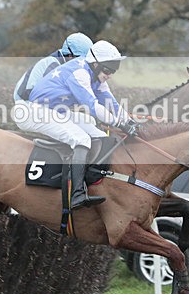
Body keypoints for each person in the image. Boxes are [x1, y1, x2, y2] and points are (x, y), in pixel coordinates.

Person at [23, 40, 138, 210]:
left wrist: (130, 122)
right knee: (82, 139)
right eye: (108, 69)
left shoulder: (95, 74)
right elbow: (93, 107)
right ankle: (76, 194)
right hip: (35, 112)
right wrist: (120, 124)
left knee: (98, 135)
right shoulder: (80, 73)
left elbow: (112, 104)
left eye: (113, 70)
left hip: (57, 111)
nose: (110, 74)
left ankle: (93, 182)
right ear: (96, 63)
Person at [12, 32, 93, 102]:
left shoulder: (64, 64)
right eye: (80, 59)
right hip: (26, 103)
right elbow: (33, 94)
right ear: (70, 55)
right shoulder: (52, 63)